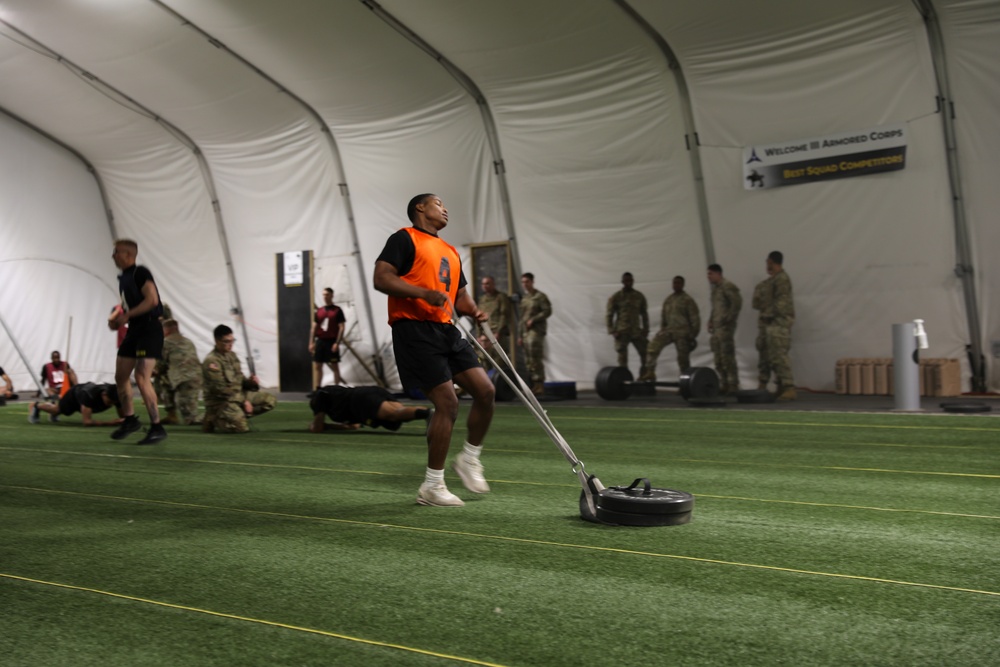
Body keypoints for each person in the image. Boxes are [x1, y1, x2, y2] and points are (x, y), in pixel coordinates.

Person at [373, 192, 495, 508]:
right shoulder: (404, 239)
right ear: (420, 208)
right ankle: (432, 486)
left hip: (446, 329)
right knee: (448, 403)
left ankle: (469, 458)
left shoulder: (451, 251)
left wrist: (475, 311)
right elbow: (382, 278)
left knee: (486, 391)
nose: (445, 209)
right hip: (413, 329)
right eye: (438, 204)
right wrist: (423, 293)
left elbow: (460, 296)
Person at [108, 239, 167, 444]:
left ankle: (157, 427)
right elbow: (127, 306)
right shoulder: (123, 278)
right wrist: (118, 320)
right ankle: (130, 419)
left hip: (149, 328)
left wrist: (127, 315)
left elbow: (152, 301)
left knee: (141, 376)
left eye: (116, 252)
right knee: (121, 376)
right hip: (134, 329)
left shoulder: (139, 272)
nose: (113, 255)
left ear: (127, 255)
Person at [201, 325, 277, 433]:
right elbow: (220, 390)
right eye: (226, 341)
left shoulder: (232, 356)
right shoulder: (212, 362)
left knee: (269, 400)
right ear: (217, 341)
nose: (230, 344)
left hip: (236, 396)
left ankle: (236, 414)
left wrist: (251, 382)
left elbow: (239, 379)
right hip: (221, 401)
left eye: (232, 341)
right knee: (241, 428)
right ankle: (214, 418)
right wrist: (244, 401)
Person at [753, 251, 796, 400]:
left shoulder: (782, 279)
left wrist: (767, 313)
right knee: (766, 356)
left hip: (778, 324)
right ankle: (776, 386)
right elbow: (756, 303)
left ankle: (788, 387)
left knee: (779, 356)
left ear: (772, 262)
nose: (767, 266)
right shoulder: (769, 282)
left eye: (768, 263)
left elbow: (782, 305)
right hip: (769, 324)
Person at [641, 276, 701, 382]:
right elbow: (664, 317)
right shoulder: (669, 300)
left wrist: (692, 335)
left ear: (682, 285)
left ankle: (685, 382)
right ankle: (650, 371)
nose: (676, 285)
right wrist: (662, 330)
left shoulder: (688, 300)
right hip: (669, 330)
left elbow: (695, 319)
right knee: (652, 346)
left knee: (683, 359)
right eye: (674, 283)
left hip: (683, 332)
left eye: (678, 283)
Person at [308, 385, 432, 432]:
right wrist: (329, 426)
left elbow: (317, 428)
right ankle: (428, 414)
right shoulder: (334, 399)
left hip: (361, 400)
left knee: (394, 414)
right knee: (399, 413)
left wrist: (318, 424)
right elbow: (354, 426)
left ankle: (428, 414)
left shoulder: (320, 396)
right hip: (368, 392)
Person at [158, 319, 203, 425]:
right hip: (196, 378)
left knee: (190, 418)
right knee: (165, 381)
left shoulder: (166, 343)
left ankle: (214, 416)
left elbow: (161, 364)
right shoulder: (188, 342)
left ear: (166, 330)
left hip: (182, 380)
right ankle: (171, 415)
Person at [707, 264, 743, 394]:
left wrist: (729, 319)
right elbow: (716, 307)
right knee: (718, 358)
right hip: (717, 329)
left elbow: (737, 303)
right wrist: (711, 320)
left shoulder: (728, 286)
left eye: (710, 274)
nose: (708, 277)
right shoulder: (716, 290)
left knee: (727, 356)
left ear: (718, 273)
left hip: (725, 328)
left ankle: (733, 384)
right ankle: (725, 383)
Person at [606, 272, 649, 376]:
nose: (628, 283)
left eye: (630, 280)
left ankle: (644, 378)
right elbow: (609, 314)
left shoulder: (639, 296)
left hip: (636, 331)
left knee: (646, 353)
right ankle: (624, 379)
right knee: (622, 359)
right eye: (626, 281)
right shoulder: (616, 297)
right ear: (622, 282)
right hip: (622, 331)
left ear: (633, 281)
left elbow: (644, 313)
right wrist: (612, 330)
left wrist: (645, 329)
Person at [29, 380, 122, 427]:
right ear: (104, 394)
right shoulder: (89, 396)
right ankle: (36, 406)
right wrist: (110, 423)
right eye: (109, 402)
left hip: (83, 393)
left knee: (59, 411)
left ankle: (53, 410)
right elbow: (87, 422)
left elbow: (123, 416)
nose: (110, 405)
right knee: (58, 410)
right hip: (74, 395)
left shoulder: (116, 396)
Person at [518, 272, 552, 396]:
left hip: (536, 331)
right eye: (523, 282)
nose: (525, 284)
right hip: (526, 332)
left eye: (527, 282)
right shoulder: (525, 298)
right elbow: (522, 318)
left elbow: (547, 311)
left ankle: (539, 384)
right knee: (528, 358)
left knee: (535, 356)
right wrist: (520, 335)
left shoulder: (540, 297)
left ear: (532, 282)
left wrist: (534, 319)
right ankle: (533, 384)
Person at [309, 287, 346, 389]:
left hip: (332, 341)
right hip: (321, 341)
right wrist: (311, 342)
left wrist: (337, 343)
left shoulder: (337, 310)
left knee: (334, 365)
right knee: (318, 365)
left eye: (327, 294)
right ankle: (318, 388)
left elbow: (341, 327)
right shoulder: (319, 311)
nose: (325, 297)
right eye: (323, 295)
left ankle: (337, 388)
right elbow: (314, 328)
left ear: (331, 295)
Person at [476, 275, 513, 369]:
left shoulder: (501, 297)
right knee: (484, 361)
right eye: (483, 284)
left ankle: (500, 383)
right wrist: (478, 335)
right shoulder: (482, 300)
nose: (485, 286)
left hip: (497, 334)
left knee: (499, 362)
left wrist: (498, 332)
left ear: (493, 284)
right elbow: (478, 318)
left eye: (487, 283)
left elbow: (504, 315)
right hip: (485, 335)